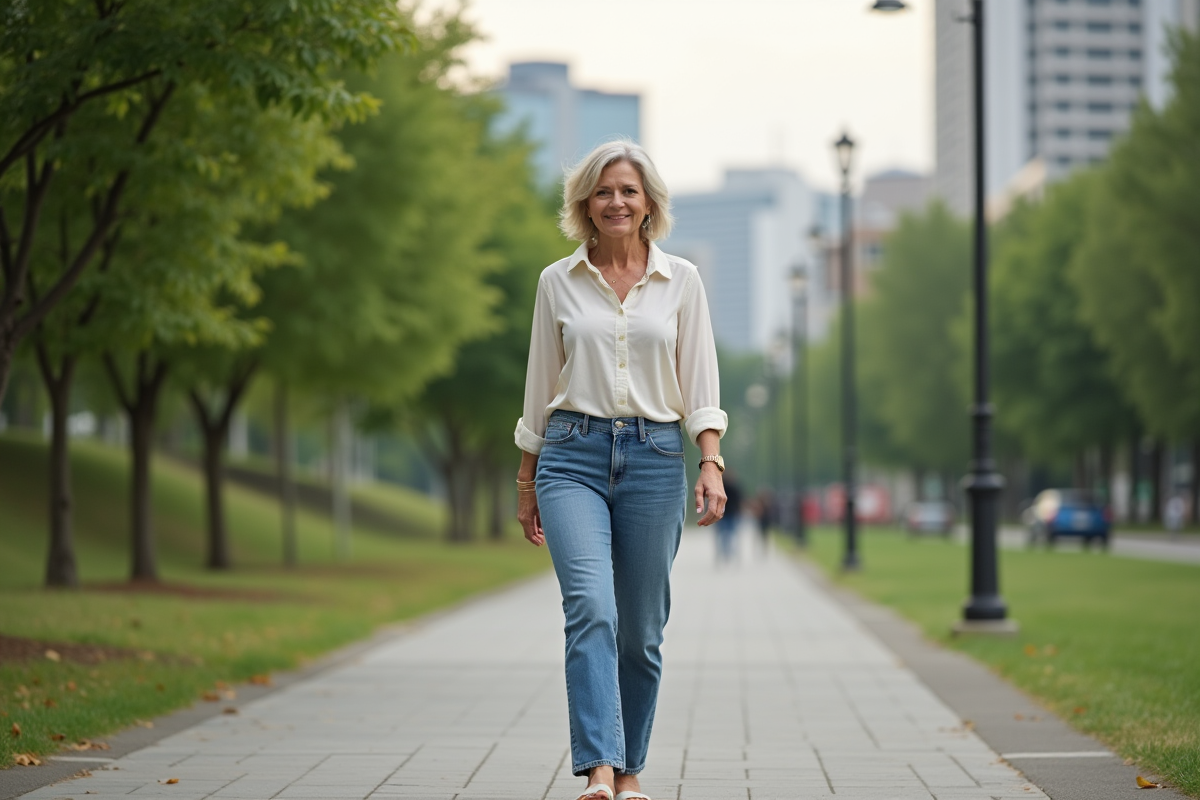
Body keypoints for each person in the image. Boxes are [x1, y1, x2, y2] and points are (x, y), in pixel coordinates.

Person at [514, 139, 728, 800]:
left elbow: (700, 380)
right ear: (585, 203)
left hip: (656, 457)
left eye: (628, 191)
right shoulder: (558, 281)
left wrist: (712, 462)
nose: (616, 202)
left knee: (640, 630)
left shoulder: (681, 280)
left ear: (649, 203)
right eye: (604, 191)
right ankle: (600, 770)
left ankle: (631, 770)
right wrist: (526, 482)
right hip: (570, 455)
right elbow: (539, 387)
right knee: (591, 609)